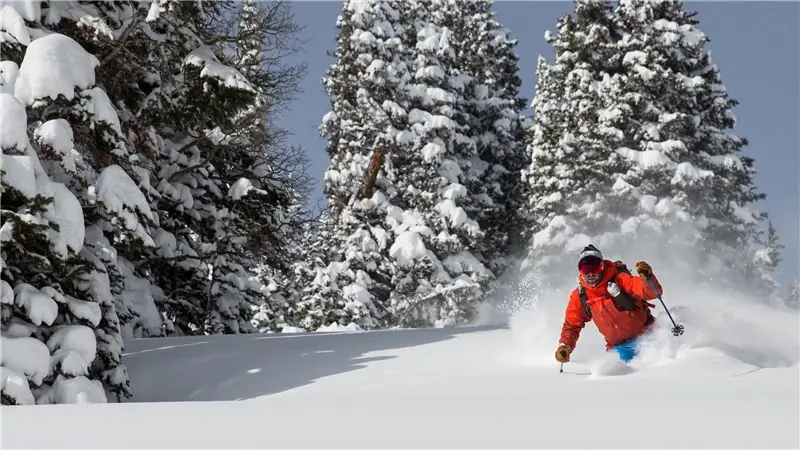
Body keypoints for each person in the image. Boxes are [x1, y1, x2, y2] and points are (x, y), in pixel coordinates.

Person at [555, 244, 663, 364]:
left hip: (647, 337)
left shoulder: (621, 280)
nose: (590, 274)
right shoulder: (581, 295)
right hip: (619, 349)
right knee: (615, 375)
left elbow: (652, 293)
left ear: (602, 267)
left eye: (594, 268)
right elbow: (572, 325)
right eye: (585, 269)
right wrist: (565, 346)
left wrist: (647, 278)